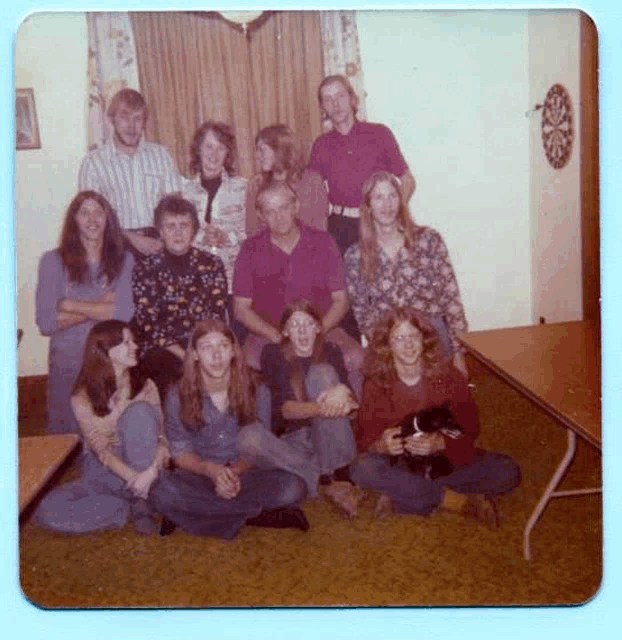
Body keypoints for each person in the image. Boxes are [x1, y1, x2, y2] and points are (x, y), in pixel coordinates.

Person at [351, 307, 520, 525]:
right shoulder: (376, 383)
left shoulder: (449, 375)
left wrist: (441, 442)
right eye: (399, 338)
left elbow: (469, 429)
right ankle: (455, 500)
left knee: (509, 472)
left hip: (444, 461)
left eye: (413, 336)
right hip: (402, 463)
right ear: (387, 345)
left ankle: (404, 497)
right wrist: (381, 446)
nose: (408, 344)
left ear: (425, 340)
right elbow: (363, 439)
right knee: (361, 468)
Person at [148, 319, 309, 538]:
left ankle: (196, 515)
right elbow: (180, 453)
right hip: (201, 474)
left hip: (245, 473)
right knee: (160, 492)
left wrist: (233, 473)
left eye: (223, 346)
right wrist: (212, 472)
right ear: (194, 354)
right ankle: (257, 516)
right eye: (207, 347)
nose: (216, 356)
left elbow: (258, 446)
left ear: (233, 351)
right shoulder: (177, 394)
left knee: (294, 487)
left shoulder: (257, 388)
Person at [34, 320, 169, 534]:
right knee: (46, 509)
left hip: (146, 466)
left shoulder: (145, 385)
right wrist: (135, 481)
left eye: (133, 341)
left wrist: (150, 472)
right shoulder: (81, 396)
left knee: (139, 412)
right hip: (107, 470)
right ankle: (130, 506)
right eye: (126, 343)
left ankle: (141, 498)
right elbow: (100, 449)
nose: (135, 346)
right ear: (104, 351)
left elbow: (162, 437)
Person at [238, 299, 363, 518]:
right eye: (295, 325)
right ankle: (327, 481)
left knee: (321, 372)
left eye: (308, 323)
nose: (302, 330)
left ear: (317, 328)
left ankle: (335, 475)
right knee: (249, 437)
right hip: (295, 441)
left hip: (331, 440)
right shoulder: (273, 354)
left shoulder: (331, 351)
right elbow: (286, 410)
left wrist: (344, 394)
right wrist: (324, 408)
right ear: (285, 331)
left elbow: (352, 409)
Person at [232, 181, 364, 380]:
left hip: (323, 329)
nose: (279, 217)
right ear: (260, 215)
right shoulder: (249, 250)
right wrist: (278, 337)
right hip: (270, 334)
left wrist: (315, 334)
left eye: (284, 207)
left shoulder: (323, 242)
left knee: (357, 357)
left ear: (296, 206)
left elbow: (341, 301)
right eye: (270, 211)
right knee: (246, 365)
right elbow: (241, 310)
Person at [344, 171, 469, 375]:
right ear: (368, 207)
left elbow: (451, 300)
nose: (387, 204)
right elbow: (363, 316)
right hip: (390, 341)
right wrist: (385, 350)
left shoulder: (428, 240)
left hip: (431, 334)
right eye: (379, 197)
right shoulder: (355, 255)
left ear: (401, 201)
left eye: (392, 195)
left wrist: (458, 353)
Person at [35, 191, 135, 434]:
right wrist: (101, 305)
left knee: (109, 435)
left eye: (98, 212)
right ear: (74, 220)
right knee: (65, 438)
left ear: (108, 219)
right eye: (84, 213)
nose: (92, 219)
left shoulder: (125, 260)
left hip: (109, 358)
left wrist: (69, 304)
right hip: (68, 357)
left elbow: (123, 313)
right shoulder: (52, 261)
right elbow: (47, 322)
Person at [130, 194, 228, 402]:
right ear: (161, 231)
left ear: (194, 230)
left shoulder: (212, 264)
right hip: (162, 348)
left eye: (184, 225)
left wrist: (200, 351)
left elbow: (216, 316)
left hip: (204, 343)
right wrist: (184, 355)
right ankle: (176, 432)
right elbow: (148, 323)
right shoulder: (145, 268)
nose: (178, 232)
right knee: (169, 372)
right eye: (170, 225)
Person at [309, 74, 416, 254]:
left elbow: (408, 180)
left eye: (340, 96)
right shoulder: (321, 145)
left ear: (353, 99)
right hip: (340, 229)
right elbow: (311, 193)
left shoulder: (379, 134)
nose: (335, 104)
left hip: (379, 224)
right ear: (322, 108)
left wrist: (392, 214)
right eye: (328, 99)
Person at [78, 88, 181, 256]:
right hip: (114, 246)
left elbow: (175, 209)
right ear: (112, 120)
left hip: (159, 244)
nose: (132, 126)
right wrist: (132, 239)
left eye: (137, 118)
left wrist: (163, 241)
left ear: (145, 122)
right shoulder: (93, 163)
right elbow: (90, 221)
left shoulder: (161, 156)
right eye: (124, 118)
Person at [182, 121, 247, 290]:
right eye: (209, 147)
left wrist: (227, 238)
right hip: (196, 282)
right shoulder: (184, 193)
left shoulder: (243, 188)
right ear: (198, 149)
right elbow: (178, 236)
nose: (214, 154)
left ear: (228, 153)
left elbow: (252, 233)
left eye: (221, 148)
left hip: (235, 281)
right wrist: (201, 238)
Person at [245, 124, 329, 236]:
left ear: (280, 150)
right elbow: (252, 231)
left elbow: (320, 228)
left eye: (262, 150)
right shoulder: (256, 184)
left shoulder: (312, 181)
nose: (257, 156)